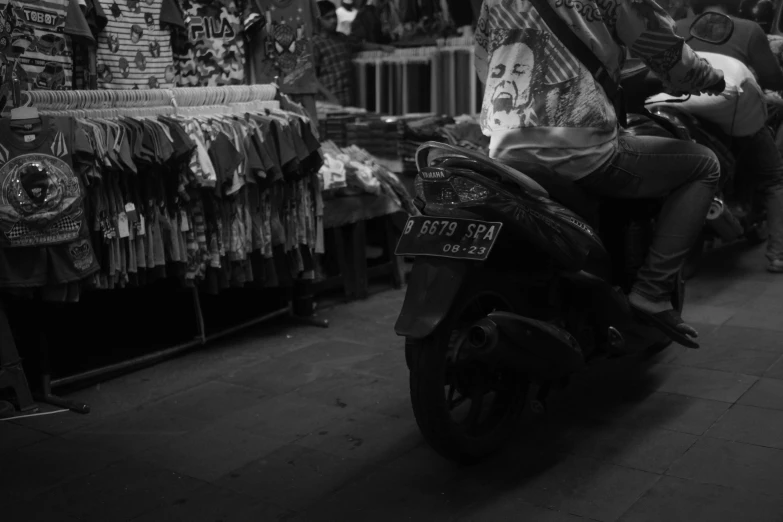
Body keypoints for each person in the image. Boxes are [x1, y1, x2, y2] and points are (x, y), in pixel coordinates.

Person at [475, 0, 725, 347]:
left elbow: (484, 61)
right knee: (704, 164)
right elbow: (663, 49)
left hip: (505, 145)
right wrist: (708, 77)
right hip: (581, 148)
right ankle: (652, 291)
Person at [675, 0, 783, 272]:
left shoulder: (676, 27)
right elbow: (771, 76)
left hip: (680, 112)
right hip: (729, 113)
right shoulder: (747, 29)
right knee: (774, 178)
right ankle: (778, 254)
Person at [313, 1, 394, 107]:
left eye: (334, 16)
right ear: (319, 21)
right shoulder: (315, 44)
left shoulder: (342, 38)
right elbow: (311, 77)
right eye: (327, 18)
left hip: (348, 99)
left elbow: (360, 45)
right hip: (328, 103)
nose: (333, 21)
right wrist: (330, 98)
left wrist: (380, 47)